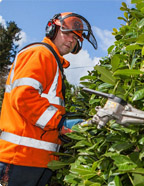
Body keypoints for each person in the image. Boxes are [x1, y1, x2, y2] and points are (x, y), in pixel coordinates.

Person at [0, 12, 97, 186]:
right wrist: (59, 123)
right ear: (53, 29)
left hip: (37, 160)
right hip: (20, 157)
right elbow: (23, 96)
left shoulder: (54, 62)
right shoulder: (40, 54)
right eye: (66, 33)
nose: (70, 40)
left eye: (75, 39)